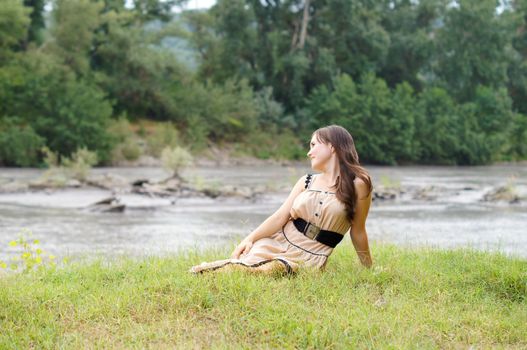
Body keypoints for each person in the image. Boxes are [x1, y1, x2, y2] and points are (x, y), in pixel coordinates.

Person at [189, 124, 373, 276]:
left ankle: (209, 271)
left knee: (277, 268)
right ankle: (205, 272)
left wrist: (369, 269)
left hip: (312, 254)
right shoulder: (306, 181)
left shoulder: (359, 184)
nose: (309, 152)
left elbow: (358, 231)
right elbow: (280, 217)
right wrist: (249, 240)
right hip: (279, 240)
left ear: (332, 146)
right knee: (249, 264)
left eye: (313, 145)